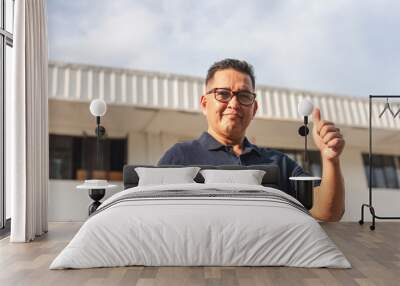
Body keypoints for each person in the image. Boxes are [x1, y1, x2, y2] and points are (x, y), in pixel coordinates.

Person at [158, 58, 345, 222]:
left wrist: (330, 159)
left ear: (254, 109)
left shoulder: (279, 163)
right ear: (205, 104)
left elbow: (327, 212)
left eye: (244, 96)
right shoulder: (179, 158)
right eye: (223, 94)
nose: (234, 104)